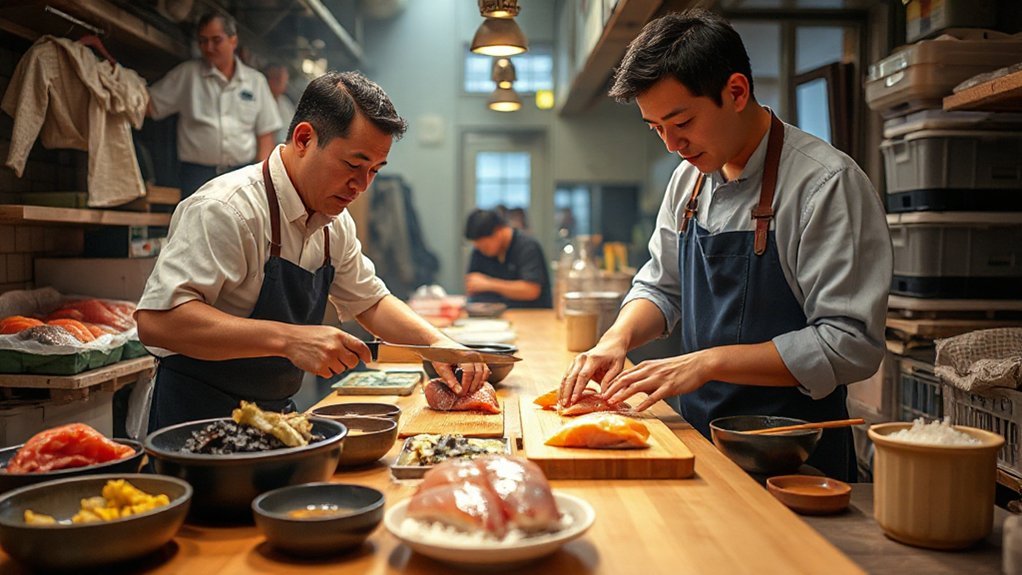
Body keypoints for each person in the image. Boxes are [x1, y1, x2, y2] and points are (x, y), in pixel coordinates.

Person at [558, 9, 891, 482]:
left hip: (793, 454)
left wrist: (709, 363)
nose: (672, 144)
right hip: (698, 442)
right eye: (656, 128)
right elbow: (662, 287)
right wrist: (616, 339)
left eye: (681, 121)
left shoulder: (826, 185)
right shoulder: (688, 182)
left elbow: (850, 343)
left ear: (736, 92)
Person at [136, 71, 489, 431]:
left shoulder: (334, 222)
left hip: (272, 420)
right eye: (353, 165)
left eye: (374, 170)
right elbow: (157, 322)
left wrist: (439, 343)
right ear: (304, 138)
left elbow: (370, 301)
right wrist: (289, 339)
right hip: (195, 421)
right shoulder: (227, 208)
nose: (362, 185)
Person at [147, 12, 282, 199]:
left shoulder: (255, 82)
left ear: (233, 40)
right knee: (197, 217)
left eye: (216, 40)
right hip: (196, 176)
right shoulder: (187, 75)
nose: (209, 47)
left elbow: (265, 135)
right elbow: (149, 105)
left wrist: (263, 180)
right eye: (203, 41)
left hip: (241, 175)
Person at [464, 208, 552, 309]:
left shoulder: (527, 247)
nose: (482, 249)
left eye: (485, 246)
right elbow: (472, 285)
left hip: (529, 313)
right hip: (490, 314)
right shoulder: (479, 251)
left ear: (499, 231)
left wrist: (489, 284)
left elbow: (531, 290)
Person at [265, 63, 296, 144]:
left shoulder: (285, 103)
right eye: (277, 78)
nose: (283, 82)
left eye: (285, 79)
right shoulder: (260, 101)